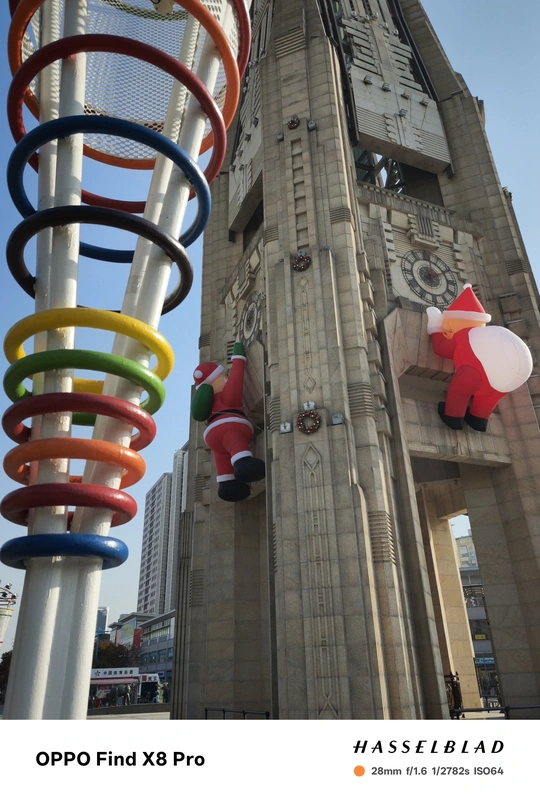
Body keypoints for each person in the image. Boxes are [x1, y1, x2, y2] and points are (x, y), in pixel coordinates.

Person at [426, 284, 532, 431]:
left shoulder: (463, 335)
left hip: (478, 376)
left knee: (463, 383)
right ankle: (479, 419)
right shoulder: (486, 334)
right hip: (511, 380)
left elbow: (439, 349)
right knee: (489, 396)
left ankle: (453, 417)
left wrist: (435, 328)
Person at [191, 342, 265, 501]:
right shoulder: (224, 397)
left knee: (222, 457)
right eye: (223, 376)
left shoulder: (209, 406)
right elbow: (236, 379)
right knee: (235, 446)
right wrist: (238, 358)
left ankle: (227, 484)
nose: (225, 378)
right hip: (229, 427)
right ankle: (243, 463)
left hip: (212, 436)